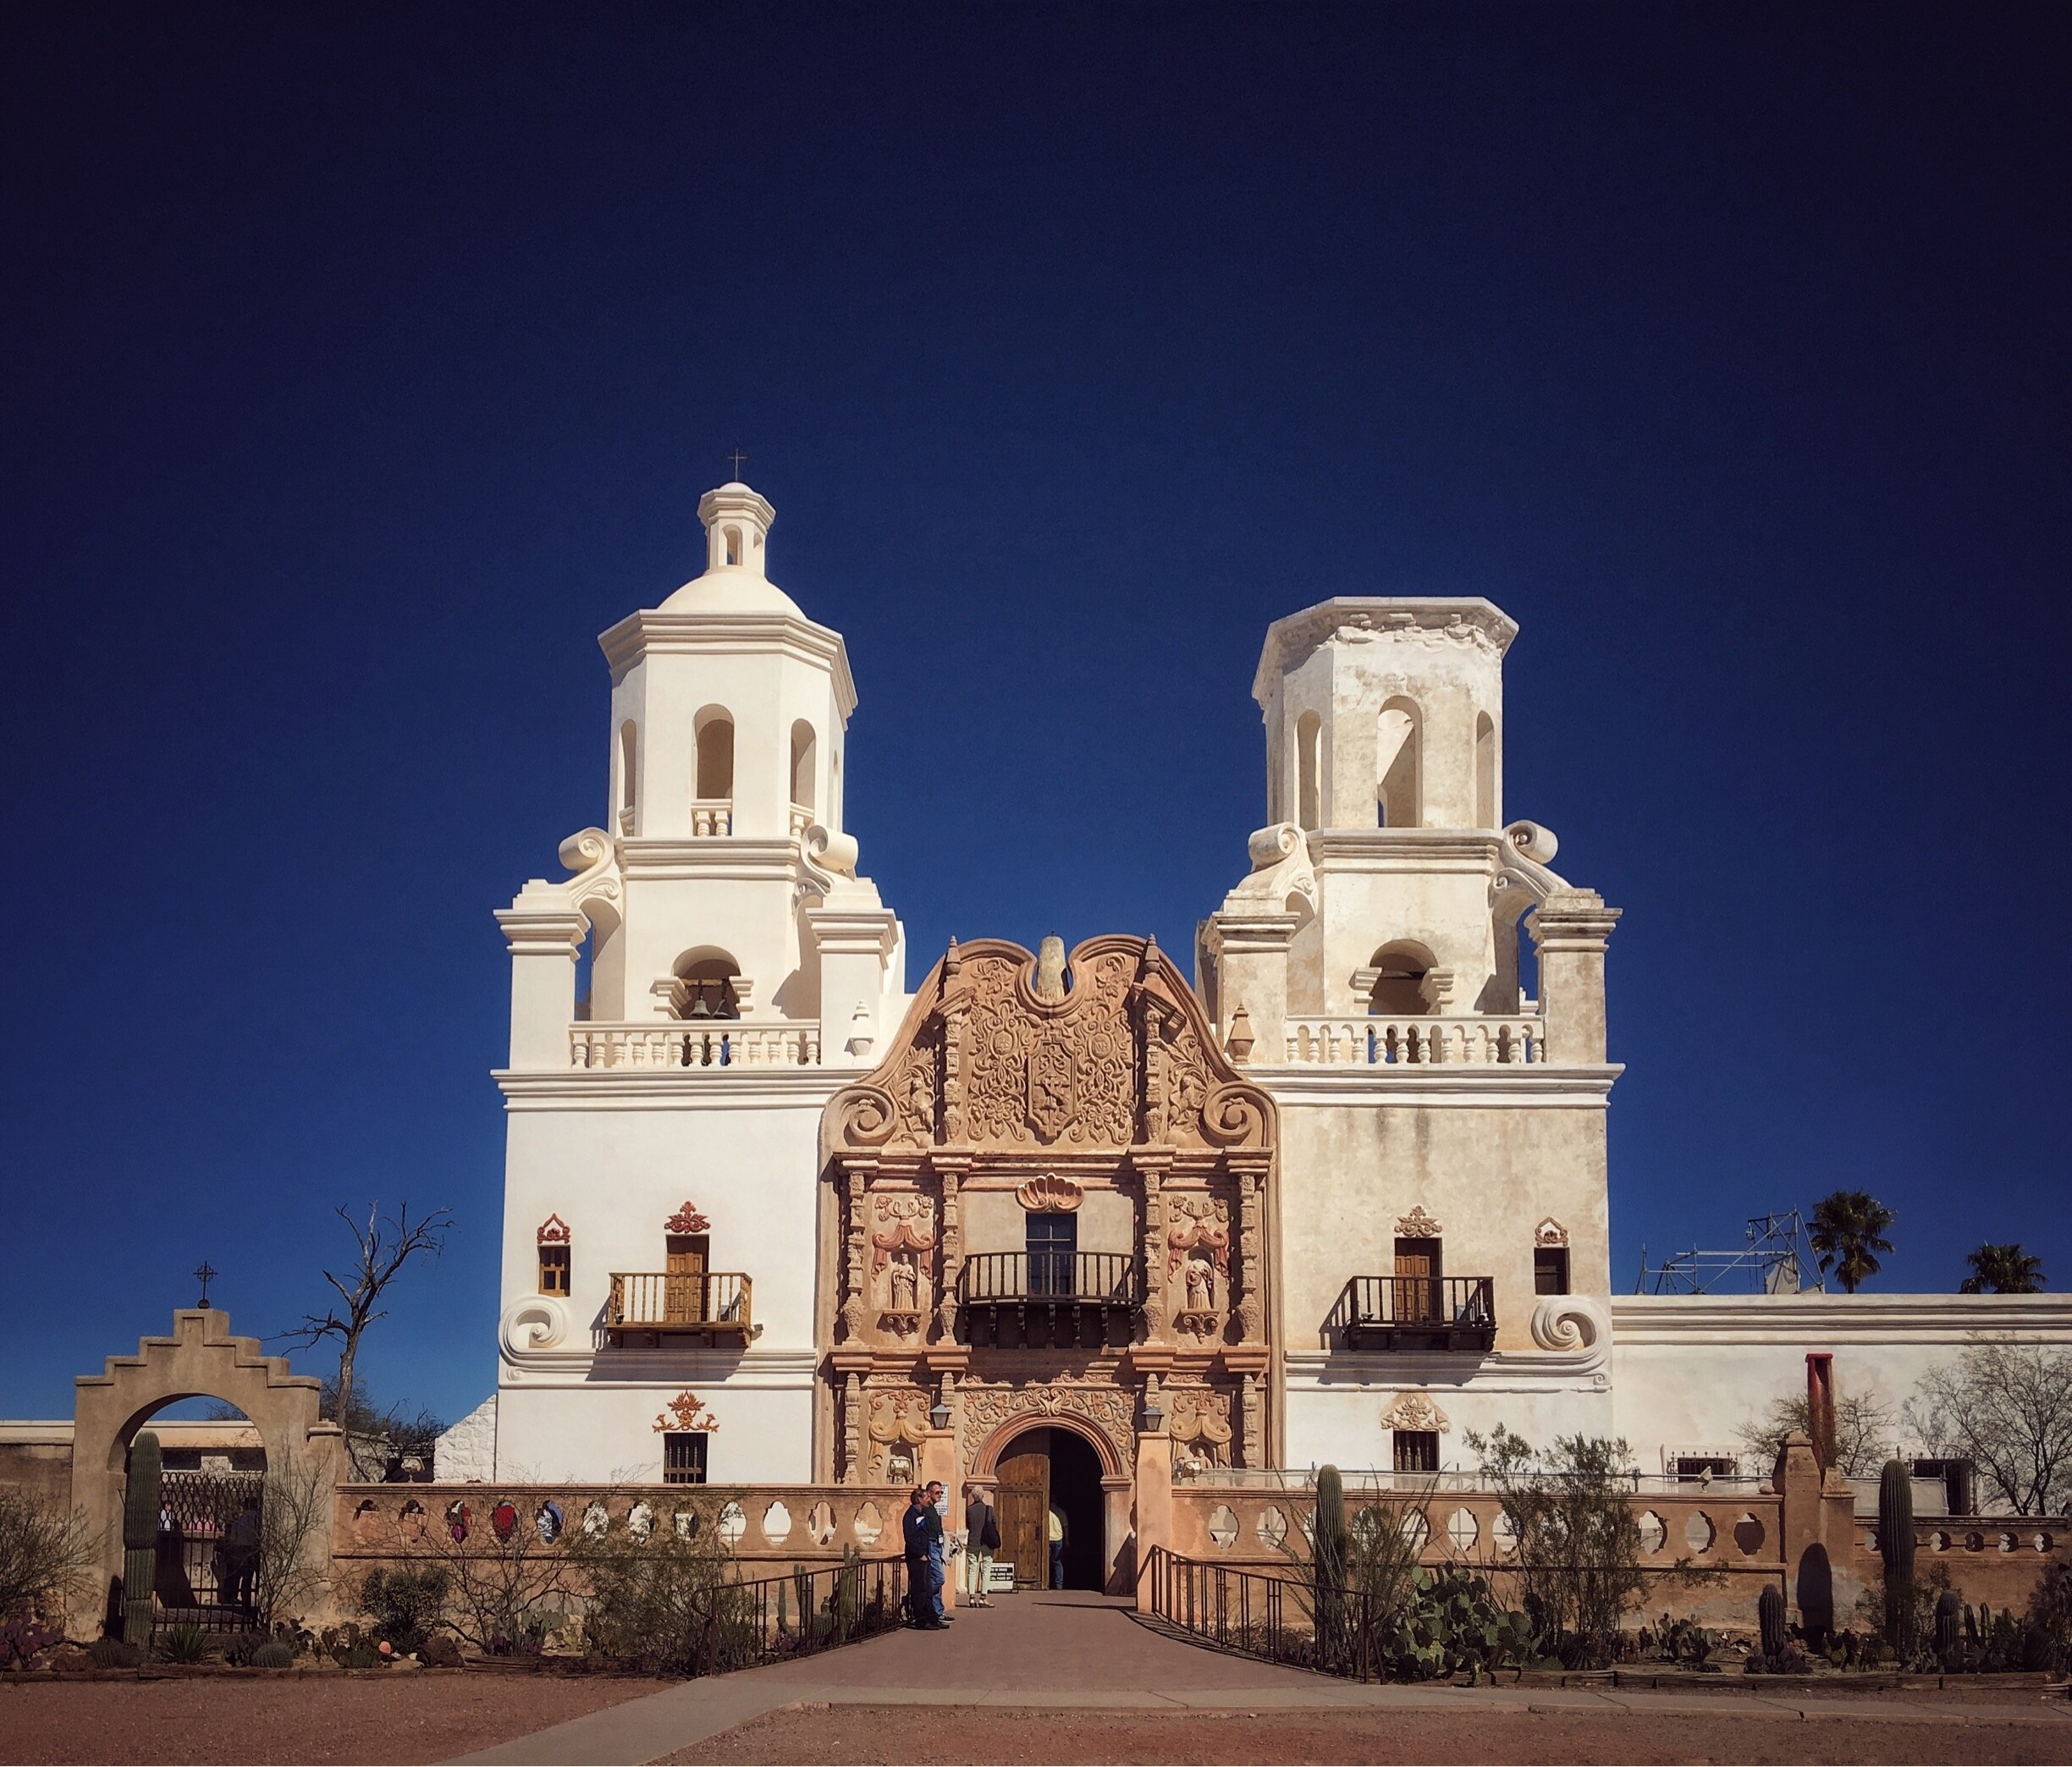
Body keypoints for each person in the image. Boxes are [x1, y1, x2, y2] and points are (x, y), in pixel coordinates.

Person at [901, 1486, 945, 1628]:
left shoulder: (923, 1514)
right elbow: (910, 1538)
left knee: (926, 1589)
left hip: (926, 1555)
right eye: (926, 1497)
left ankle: (931, 1618)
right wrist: (920, 1554)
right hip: (916, 1558)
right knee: (919, 1589)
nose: (928, 1500)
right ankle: (921, 1620)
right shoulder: (910, 1515)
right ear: (919, 1499)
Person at [962, 1483, 1000, 1607]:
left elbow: (968, 1525)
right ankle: (983, 1597)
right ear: (983, 1495)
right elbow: (994, 1523)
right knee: (986, 1568)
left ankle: (972, 1597)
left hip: (973, 1541)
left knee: (972, 1569)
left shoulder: (969, 1510)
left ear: (973, 1496)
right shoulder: (989, 1509)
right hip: (986, 1542)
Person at [223, 1498, 261, 1610]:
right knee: (248, 1578)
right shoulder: (258, 1519)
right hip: (252, 1549)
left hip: (239, 1549)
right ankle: (246, 1602)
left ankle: (232, 1598)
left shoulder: (239, 1520)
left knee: (237, 1574)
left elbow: (233, 1538)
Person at [924, 1479, 954, 1624]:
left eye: (942, 1492)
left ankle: (937, 1612)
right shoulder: (926, 1508)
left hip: (937, 1546)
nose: (940, 1495)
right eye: (937, 1492)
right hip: (931, 1546)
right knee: (939, 1578)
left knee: (936, 1578)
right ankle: (922, 1596)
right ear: (929, 1493)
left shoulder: (933, 1509)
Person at [1047, 1502, 1067, 1590]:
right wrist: (1067, 1540)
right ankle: (1059, 1584)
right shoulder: (1060, 1512)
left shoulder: (1045, 1511)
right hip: (1058, 1539)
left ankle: (1046, 1583)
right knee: (1057, 1561)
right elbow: (1066, 1526)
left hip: (1047, 1539)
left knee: (1044, 1562)